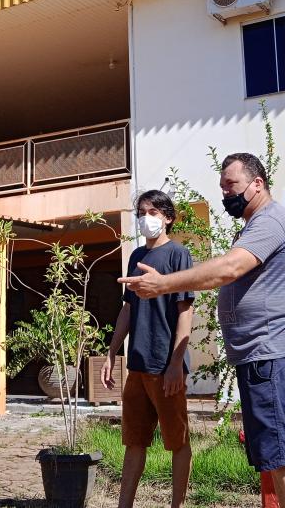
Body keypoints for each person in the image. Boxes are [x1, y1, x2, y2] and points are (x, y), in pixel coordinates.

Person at [119, 154, 285, 508]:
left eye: (232, 185)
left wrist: (163, 284)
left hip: (273, 353)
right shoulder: (255, 224)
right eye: (222, 186)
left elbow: (228, 268)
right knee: (274, 456)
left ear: (258, 183)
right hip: (260, 356)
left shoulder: (270, 221)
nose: (225, 193)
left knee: (283, 455)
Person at [102, 189, 194, 508]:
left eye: (153, 212)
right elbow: (128, 308)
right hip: (138, 365)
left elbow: (186, 310)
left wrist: (176, 363)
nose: (146, 218)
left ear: (168, 217)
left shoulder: (178, 255)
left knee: (177, 441)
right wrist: (113, 352)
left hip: (166, 366)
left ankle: (176, 505)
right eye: (142, 212)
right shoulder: (136, 256)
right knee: (134, 441)